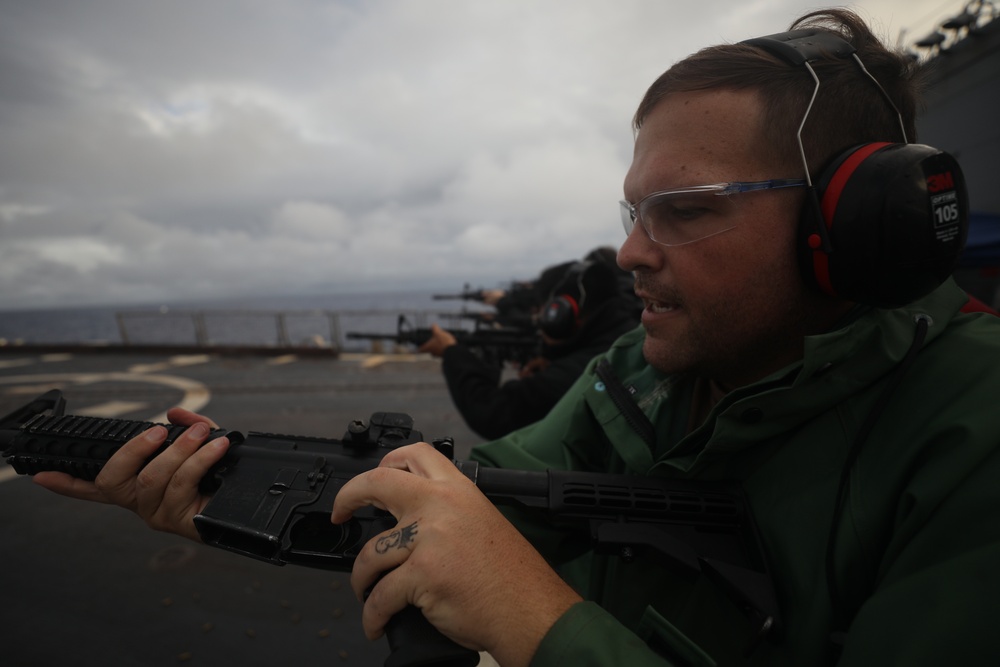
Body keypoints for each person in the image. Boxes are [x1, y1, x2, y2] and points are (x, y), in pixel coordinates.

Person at [32, 8, 1000, 666]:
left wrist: (541, 624)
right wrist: (206, 486)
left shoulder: (968, 439)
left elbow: (505, 572)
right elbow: (461, 501)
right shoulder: (642, 373)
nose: (628, 252)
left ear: (855, 222)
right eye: (631, 209)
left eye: (681, 209)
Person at [419, 248, 641, 440]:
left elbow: (493, 412)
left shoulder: (590, 368)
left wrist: (451, 351)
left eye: (541, 312)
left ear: (560, 312)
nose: (538, 321)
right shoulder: (624, 336)